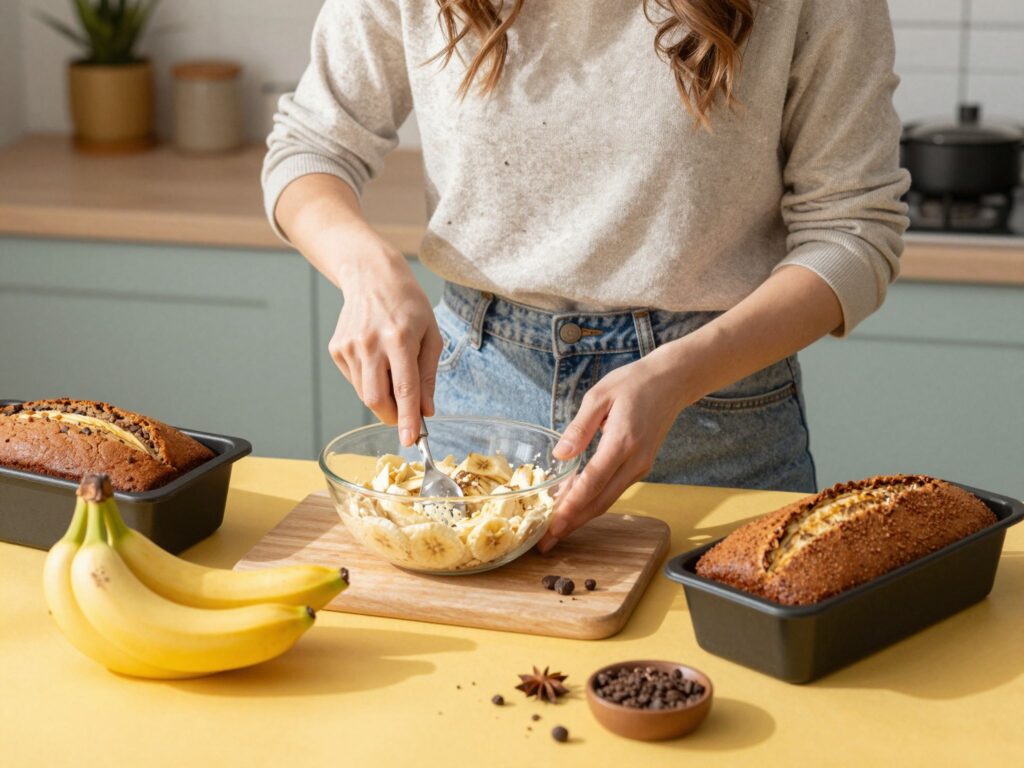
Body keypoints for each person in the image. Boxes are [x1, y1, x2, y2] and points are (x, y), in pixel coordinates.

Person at [262, 0, 909, 553]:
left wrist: (682, 374)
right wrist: (367, 270)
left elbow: (853, 232)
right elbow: (311, 146)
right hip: (469, 412)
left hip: (715, 417)